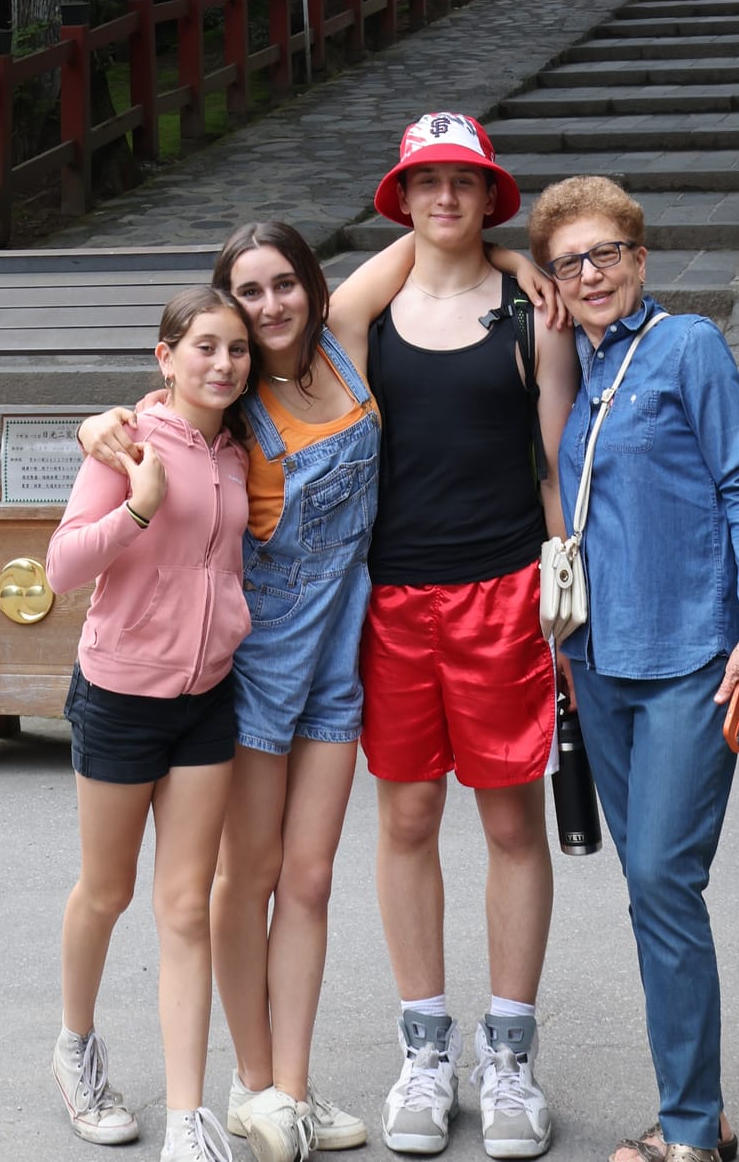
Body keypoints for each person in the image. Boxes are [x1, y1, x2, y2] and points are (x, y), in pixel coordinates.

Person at [77, 195, 563, 1162]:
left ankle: (292, 1089)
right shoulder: (228, 396)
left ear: (312, 285)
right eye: (247, 293)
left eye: (283, 283)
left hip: (341, 655)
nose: (270, 306)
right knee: (246, 877)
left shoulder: (342, 338)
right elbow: (159, 411)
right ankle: (254, 1085)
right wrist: (107, 423)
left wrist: (513, 261)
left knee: (308, 877)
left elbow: (430, 235)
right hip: (259, 662)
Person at [531, 175, 739, 1162]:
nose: (590, 272)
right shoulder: (583, 368)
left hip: (692, 656)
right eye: (569, 262)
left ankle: (688, 1131)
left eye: (606, 252)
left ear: (639, 257)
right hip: (599, 661)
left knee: (660, 875)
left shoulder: (688, 346)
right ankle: (698, 1111)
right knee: (651, 892)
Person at [360, 115, 580, 1162]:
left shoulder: (532, 315)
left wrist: (566, 600)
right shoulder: (372, 313)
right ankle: (423, 1050)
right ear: (402, 197)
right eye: (426, 181)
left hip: (505, 591)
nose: (444, 196)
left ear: (490, 191)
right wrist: (483, 249)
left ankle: (509, 1054)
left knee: (509, 823)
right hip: (396, 595)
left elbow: (557, 466)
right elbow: (325, 305)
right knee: (406, 817)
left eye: (464, 180)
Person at [46, 285, 257, 1162]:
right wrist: (137, 506)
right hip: (121, 694)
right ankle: (76, 1049)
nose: (224, 363)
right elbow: (61, 566)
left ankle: (185, 1121)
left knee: (185, 907)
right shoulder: (126, 441)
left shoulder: (239, 451)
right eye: (205, 345)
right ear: (166, 356)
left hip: (207, 696)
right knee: (108, 890)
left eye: (237, 348)